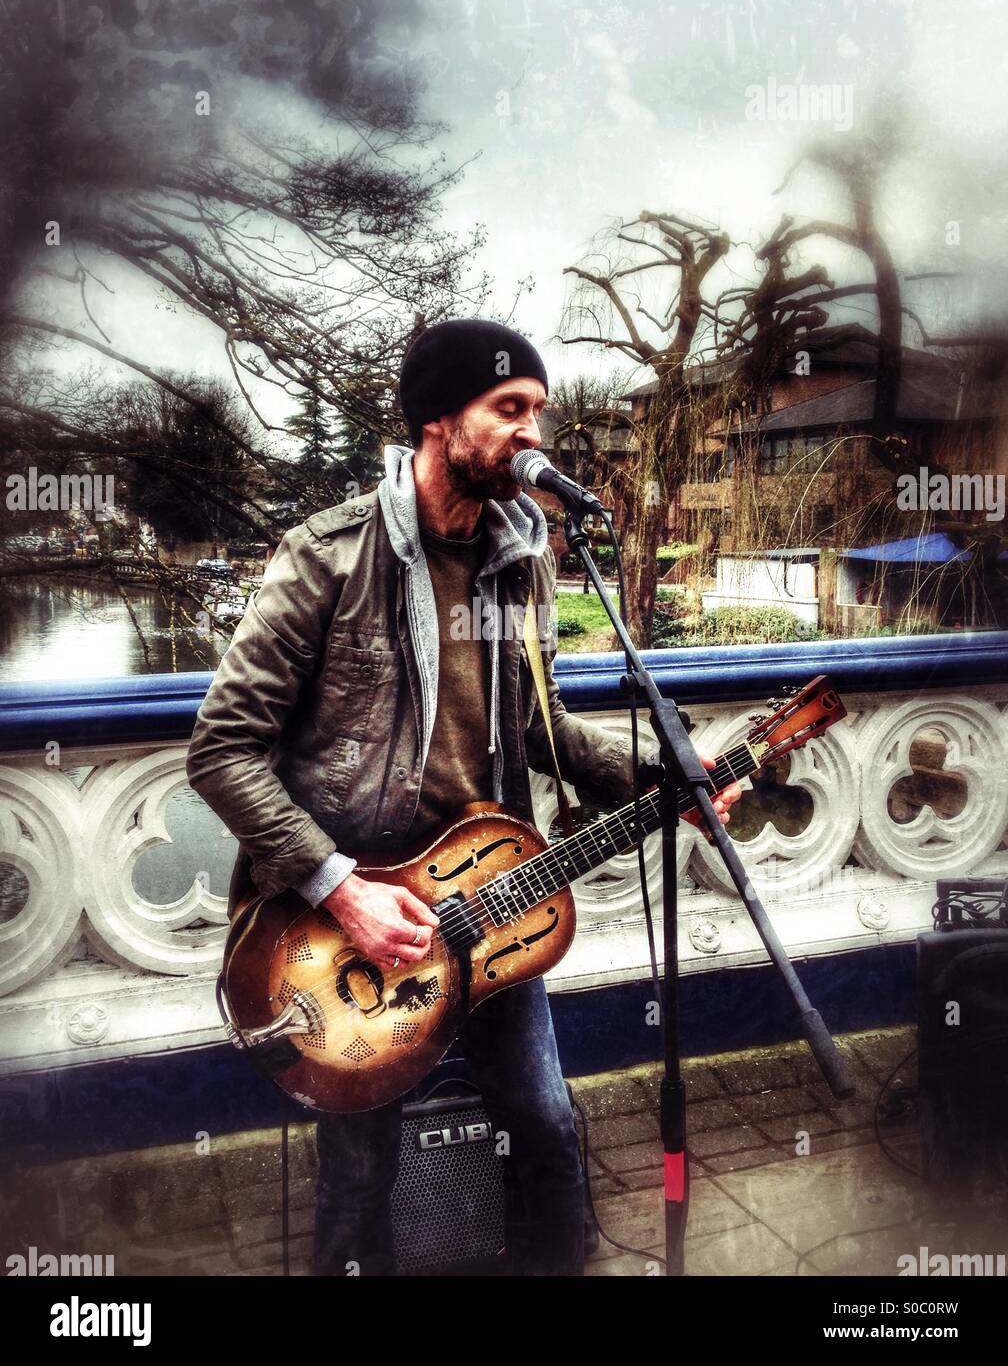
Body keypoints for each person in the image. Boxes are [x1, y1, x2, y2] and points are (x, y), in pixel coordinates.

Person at [186, 317, 741, 1276]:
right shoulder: (327, 557)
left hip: (486, 901)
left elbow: (541, 728)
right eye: (511, 409)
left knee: (546, 1125)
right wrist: (340, 888)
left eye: (540, 413)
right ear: (441, 419)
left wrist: (669, 781)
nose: (535, 434)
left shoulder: (521, 560)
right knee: (360, 1172)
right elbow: (222, 750)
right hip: (349, 924)